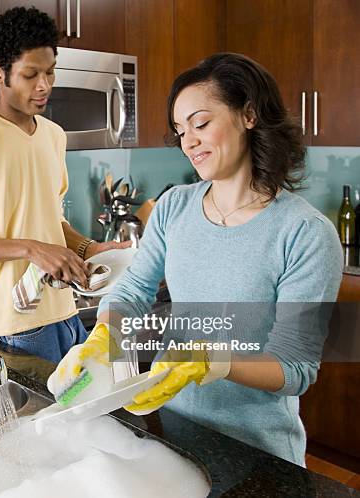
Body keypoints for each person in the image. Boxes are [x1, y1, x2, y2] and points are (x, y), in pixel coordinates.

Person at [48, 53, 343, 466]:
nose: (188, 141)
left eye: (201, 124)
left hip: (258, 451)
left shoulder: (305, 233)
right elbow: (134, 290)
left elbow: (294, 368)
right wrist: (103, 337)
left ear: (249, 115)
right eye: (180, 130)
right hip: (177, 437)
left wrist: (214, 360)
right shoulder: (173, 207)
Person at [0, 7, 126, 363]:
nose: (44, 85)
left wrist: (87, 249)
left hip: (65, 314)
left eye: (50, 72)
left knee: (81, 418)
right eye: (31, 75)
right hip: (11, 329)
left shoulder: (53, 136)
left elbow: (50, 219)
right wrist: (31, 249)